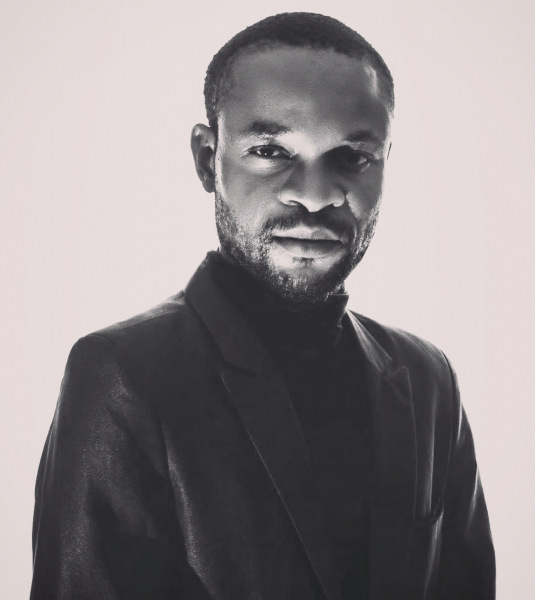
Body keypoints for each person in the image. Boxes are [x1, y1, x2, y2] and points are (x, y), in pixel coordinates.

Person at [30, 12, 495, 600]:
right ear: (208, 159)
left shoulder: (429, 379)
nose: (315, 196)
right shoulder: (122, 376)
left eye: (353, 156)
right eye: (271, 150)